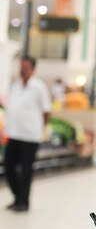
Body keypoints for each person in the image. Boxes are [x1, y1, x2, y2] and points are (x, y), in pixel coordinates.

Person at [4, 56, 51, 212]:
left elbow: (46, 111)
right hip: (13, 134)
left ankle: (24, 202)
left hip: (30, 136)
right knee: (8, 166)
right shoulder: (15, 86)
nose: (23, 69)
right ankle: (17, 197)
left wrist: (41, 128)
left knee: (25, 170)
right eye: (21, 66)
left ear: (32, 69)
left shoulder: (39, 87)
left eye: (26, 67)